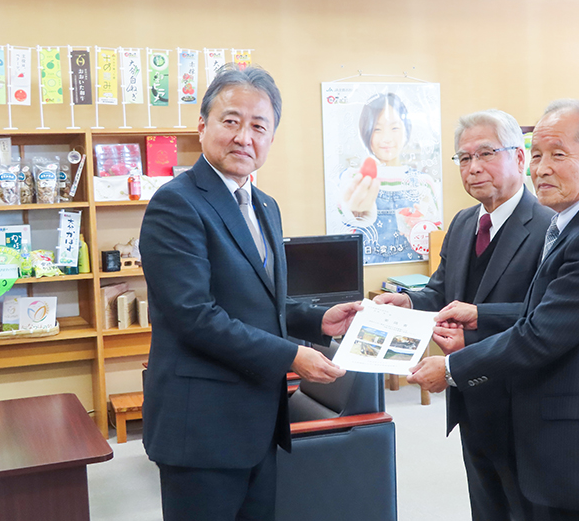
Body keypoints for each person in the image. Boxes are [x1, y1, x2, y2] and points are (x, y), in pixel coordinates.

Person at [408, 99, 579, 520]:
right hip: (552, 435)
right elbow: (549, 312)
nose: (541, 168)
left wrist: (451, 369)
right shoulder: (575, 222)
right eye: (538, 155)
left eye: (558, 155)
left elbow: (541, 335)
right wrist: (481, 316)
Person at [139, 64, 360, 521]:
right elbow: (195, 316)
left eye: (259, 126)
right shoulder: (176, 203)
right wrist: (292, 355)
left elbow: (261, 299)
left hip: (258, 421)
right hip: (201, 429)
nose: (244, 137)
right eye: (231, 121)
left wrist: (316, 318)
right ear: (202, 126)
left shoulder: (264, 205)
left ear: (271, 138)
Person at [375, 109, 553, 521]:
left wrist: (477, 321)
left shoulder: (548, 226)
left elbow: (545, 316)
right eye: (464, 158)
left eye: (486, 154)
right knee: (486, 507)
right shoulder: (462, 223)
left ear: (520, 159)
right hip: (469, 397)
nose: (473, 168)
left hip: (522, 401)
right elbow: (442, 292)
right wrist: (409, 302)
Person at [337, 92, 442, 264]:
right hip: (365, 272)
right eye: (377, 129)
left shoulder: (423, 183)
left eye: (394, 128)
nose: (386, 139)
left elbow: (437, 244)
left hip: (412, 274)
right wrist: (356, 214)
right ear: (366, 133)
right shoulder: (353, 179)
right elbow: (341, 230)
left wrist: (421, 228)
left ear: (406, 130)